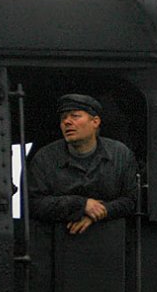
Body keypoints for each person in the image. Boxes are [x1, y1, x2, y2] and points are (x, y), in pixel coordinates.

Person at [27, 93, 137, 234]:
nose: (67, 122)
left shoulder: (121, 155)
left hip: (111, 239)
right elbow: (34, 203)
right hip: (56, 239)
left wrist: (95, 214)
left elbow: (131, 200)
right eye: (63, 118)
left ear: (95, 122)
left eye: (75, 116)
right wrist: (81, 205)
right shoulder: (44, 158)